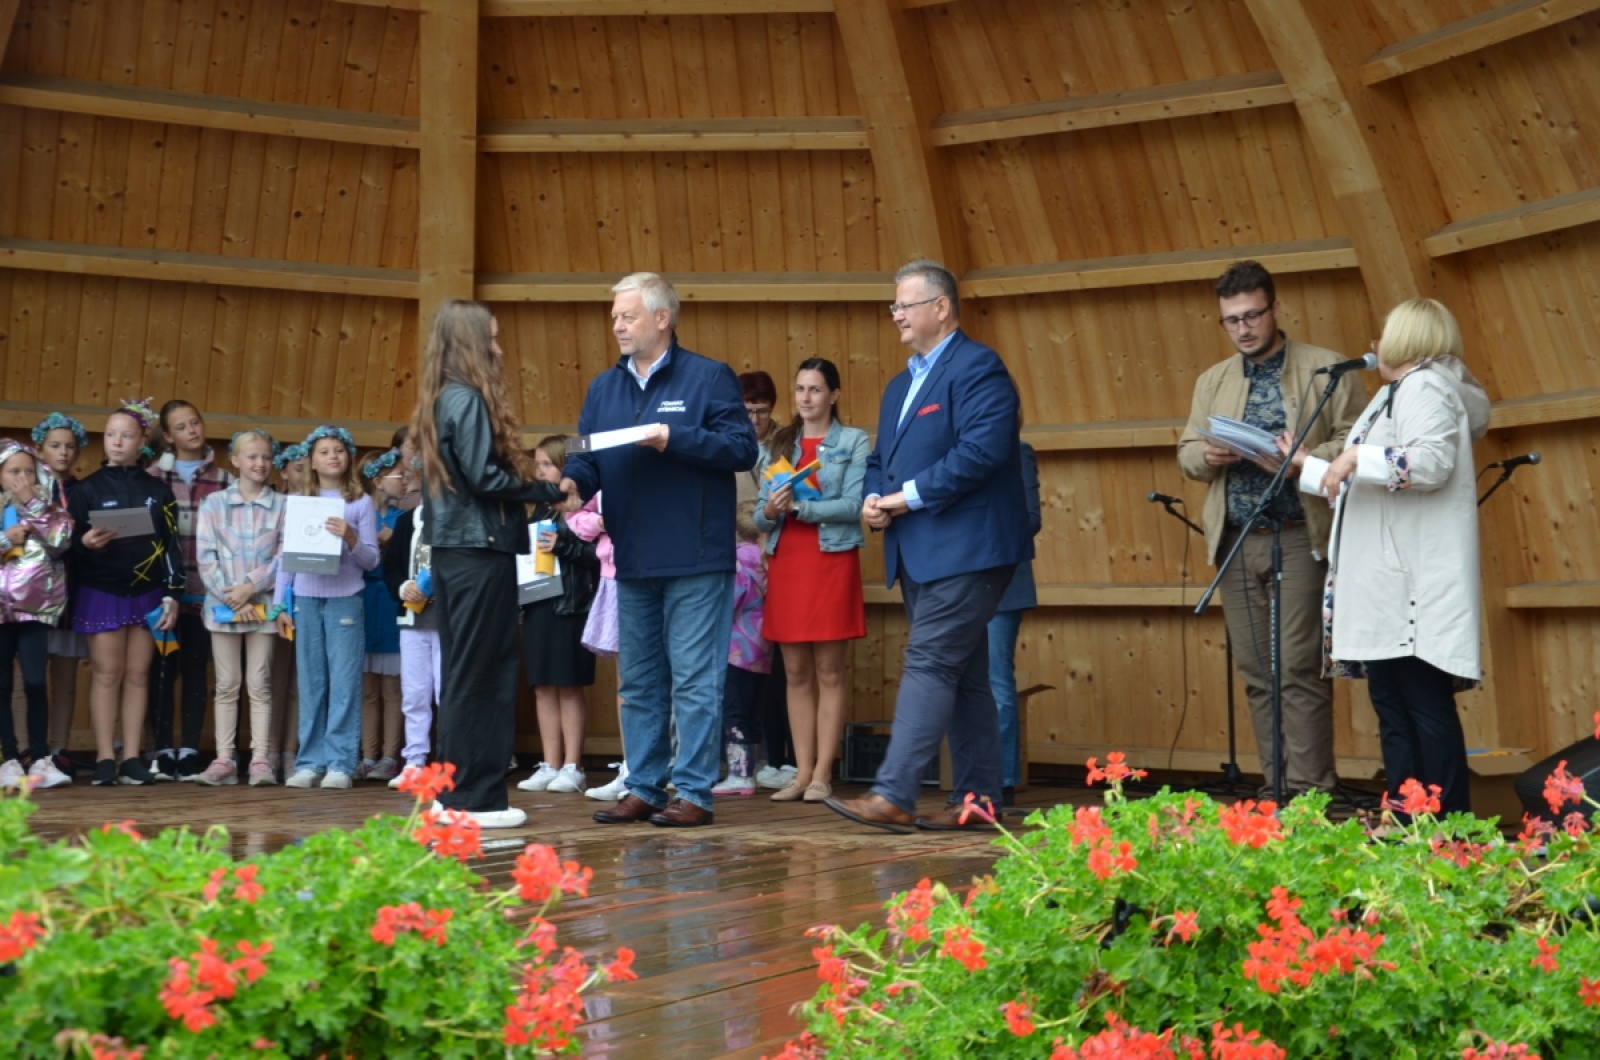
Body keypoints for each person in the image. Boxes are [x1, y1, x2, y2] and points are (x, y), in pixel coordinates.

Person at [824, 260, 1032, 833]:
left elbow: (982, 452)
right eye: (893, 306)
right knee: (964, 675)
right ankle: (979, 801)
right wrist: (873, 497)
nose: (895, 315)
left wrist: (904, 498)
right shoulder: (899, 386)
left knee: (931, 660)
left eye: (904, 305)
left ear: (941, 308)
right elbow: (878, 461)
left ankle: (893, 794)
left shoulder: (979, 367)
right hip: (919, 550)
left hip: (970, 547)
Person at [560, 272, 758, 828]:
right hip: (632, 557)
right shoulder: (604, 388)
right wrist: (573, 481)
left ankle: (693, 792)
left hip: (696, 557)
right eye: (615, 317)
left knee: (694, 680)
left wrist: (675, 439)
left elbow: (741, 448)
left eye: (628, 316)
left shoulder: (708, 377)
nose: (617, 326)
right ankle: (644, 787)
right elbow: (584, 452)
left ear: (662, 318)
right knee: (639, 681)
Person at [1287, 298, 1489, 815]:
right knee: (1396, 710)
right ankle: (1406, 821)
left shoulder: (1426, 387)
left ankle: (1447, 827)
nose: (1375, 343)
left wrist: (1355, 455)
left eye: (1385, 333)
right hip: (1386, 585)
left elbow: (1430, 464)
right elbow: (1369, 482)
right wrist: (1309, 466)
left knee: (1422, 708)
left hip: (1408, 586)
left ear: (1409, 340)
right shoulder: (1395, 392)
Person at [1176, 260, 1363, 801]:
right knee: (1258, 671)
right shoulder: (1213, 380)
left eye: (1253, 315)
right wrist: (1207, 455)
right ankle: (1276, 786)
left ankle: (1310, 791)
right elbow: (1186, 452)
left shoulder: (1325, 368)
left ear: (1276, 309)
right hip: (1237, 539)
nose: (1243, 329)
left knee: (1299, 667)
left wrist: (1304, 458)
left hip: (1299, 534)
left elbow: (1357, 440)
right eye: (1231, 320)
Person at [410, 300, 568, 829]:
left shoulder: (439, 398)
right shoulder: (468, 399)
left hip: (454, 553)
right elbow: (484, 477)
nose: (499, 350)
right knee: (485, 675)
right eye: (492, 340)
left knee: (461, 674)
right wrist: (547, 489)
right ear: (471, 344)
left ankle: (451, 793)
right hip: (480, 552)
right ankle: (476, 801)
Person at [754, 357, 868, 804]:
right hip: (788, 561)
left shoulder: (853, 440)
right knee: (796, 672)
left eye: (816, 389)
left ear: (834, 395)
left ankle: (823, 773)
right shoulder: (779, 442)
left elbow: (854, 504)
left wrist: (801, 508)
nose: (806, 397)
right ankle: (800, 773)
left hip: (830, 560)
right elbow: (760, 517)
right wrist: (771, 509)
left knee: (830, 671)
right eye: (800, 388)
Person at [67, 399, 184, 787]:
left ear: (141, 443)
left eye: (126, 436)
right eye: (110, 435)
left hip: (148, 593)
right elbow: (65, 547)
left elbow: (171, 546)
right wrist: (84, 543)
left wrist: (172, 594)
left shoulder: (159, 491)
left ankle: (132, 757)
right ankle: (104, 757)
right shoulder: (86, 490)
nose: (117, 442)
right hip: (102, 590)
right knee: (107, 673)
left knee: (138, 673)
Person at [273, 425, 379, 791]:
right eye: (324, 451)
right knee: (311, 682)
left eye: (339, 450)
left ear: (348, 457)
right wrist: (279, 605)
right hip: (305, 600)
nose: (332, 456)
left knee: (344, 683)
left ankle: (340, 763)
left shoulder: (360, 502)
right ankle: (309, 762)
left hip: (345, 598)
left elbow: (371, 561)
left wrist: (351, 537)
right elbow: (286, 557)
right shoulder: (298, 501)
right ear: (312, 462)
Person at [146, 399, 233, 782]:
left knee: (197, 670)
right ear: (168, 436)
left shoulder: (226, 480)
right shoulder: (151, 478)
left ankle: (191, 750)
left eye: (195, 422)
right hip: (162, 596)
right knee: (162, 671)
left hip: (203, 593)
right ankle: (163, 749)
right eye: (181, 427)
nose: (191, 431)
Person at [193, 430, 284, 787]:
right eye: (252, 456)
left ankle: (260, 759)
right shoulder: (213, 504)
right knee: (227, 683)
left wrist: (251, 588)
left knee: (260, 683)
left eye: (266, 457)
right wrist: (231, 596)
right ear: (235, 460)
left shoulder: (282, 505)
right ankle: (224, 758)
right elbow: (205, 557)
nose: (260, 463)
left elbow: (283, 559)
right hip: (223, 606)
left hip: (263, 606)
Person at [516, 435, 599, 796]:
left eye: (547, 464)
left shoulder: (585, 503)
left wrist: (562, 545)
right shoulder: (540, 508)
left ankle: (572, 766)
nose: (540, 472)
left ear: (566, 466)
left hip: (571, 606)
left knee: (568, 685)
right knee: (542, 685)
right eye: (537, 465)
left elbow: (596, 556)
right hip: (539, 603)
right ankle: (549, 764)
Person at [0, 440, 73, 790]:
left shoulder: (47, 508)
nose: (22, 478)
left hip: (33, 611)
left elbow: (61, 542)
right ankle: (9, 759)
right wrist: (4, 539)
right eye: (14, 471)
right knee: (1, 684)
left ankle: (41, 758)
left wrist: (31, 504)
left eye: (28, 471)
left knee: (34, 681)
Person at [985, 438, 1041, 805]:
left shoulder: (1017, 451)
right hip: (954, 581)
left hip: (1003, 581)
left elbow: (1030, 518)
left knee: (996, 679)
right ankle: (970, 780)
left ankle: (1001, 782)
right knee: (958, 682)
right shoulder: (951, 452)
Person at [32, 412, 88, 774]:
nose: (63, 452)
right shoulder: (27, 489)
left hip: (70, 592)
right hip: (32, 596)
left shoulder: (83, 492)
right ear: (40, 449)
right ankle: (26, 746)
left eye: (70, 446)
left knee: (65, 677)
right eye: (55, 445)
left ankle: (59, 748)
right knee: (30, 677)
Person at [711, 501, 772, 796]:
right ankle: (753, 769)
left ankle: (739, 773)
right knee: (754, 710)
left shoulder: (736, 561)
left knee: (733, 710)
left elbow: (729, 602)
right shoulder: (768, 558)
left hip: (735, 648)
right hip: (763, 648)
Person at [381, 489, 438, 791]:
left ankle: (451, 763)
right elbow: (391, 567)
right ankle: (414, 760)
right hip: (413, 621)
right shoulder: (407, 521)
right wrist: (404, 587)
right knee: (414, 694)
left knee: (448, 693)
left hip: (451, 624)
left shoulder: (463, 519)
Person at [357, 449, 406, 783]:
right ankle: (366, 754)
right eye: (398, 476)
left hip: (391, 603)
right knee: (367, 689)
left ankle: (390, 756)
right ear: (377, 481)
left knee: (392, 688)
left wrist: (393, 541)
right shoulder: (359, 515)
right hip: (363, 602)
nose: (404, 481)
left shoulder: (404, 519)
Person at [267, 442, 305, 779]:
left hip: (309, 596)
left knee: (300, 682)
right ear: (283, 472)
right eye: (298, 469)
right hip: (276, 598)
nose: (305, 475)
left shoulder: (321, 505)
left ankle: (292, 749)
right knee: (274, 680)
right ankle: (269, 750)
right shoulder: (276, 505)